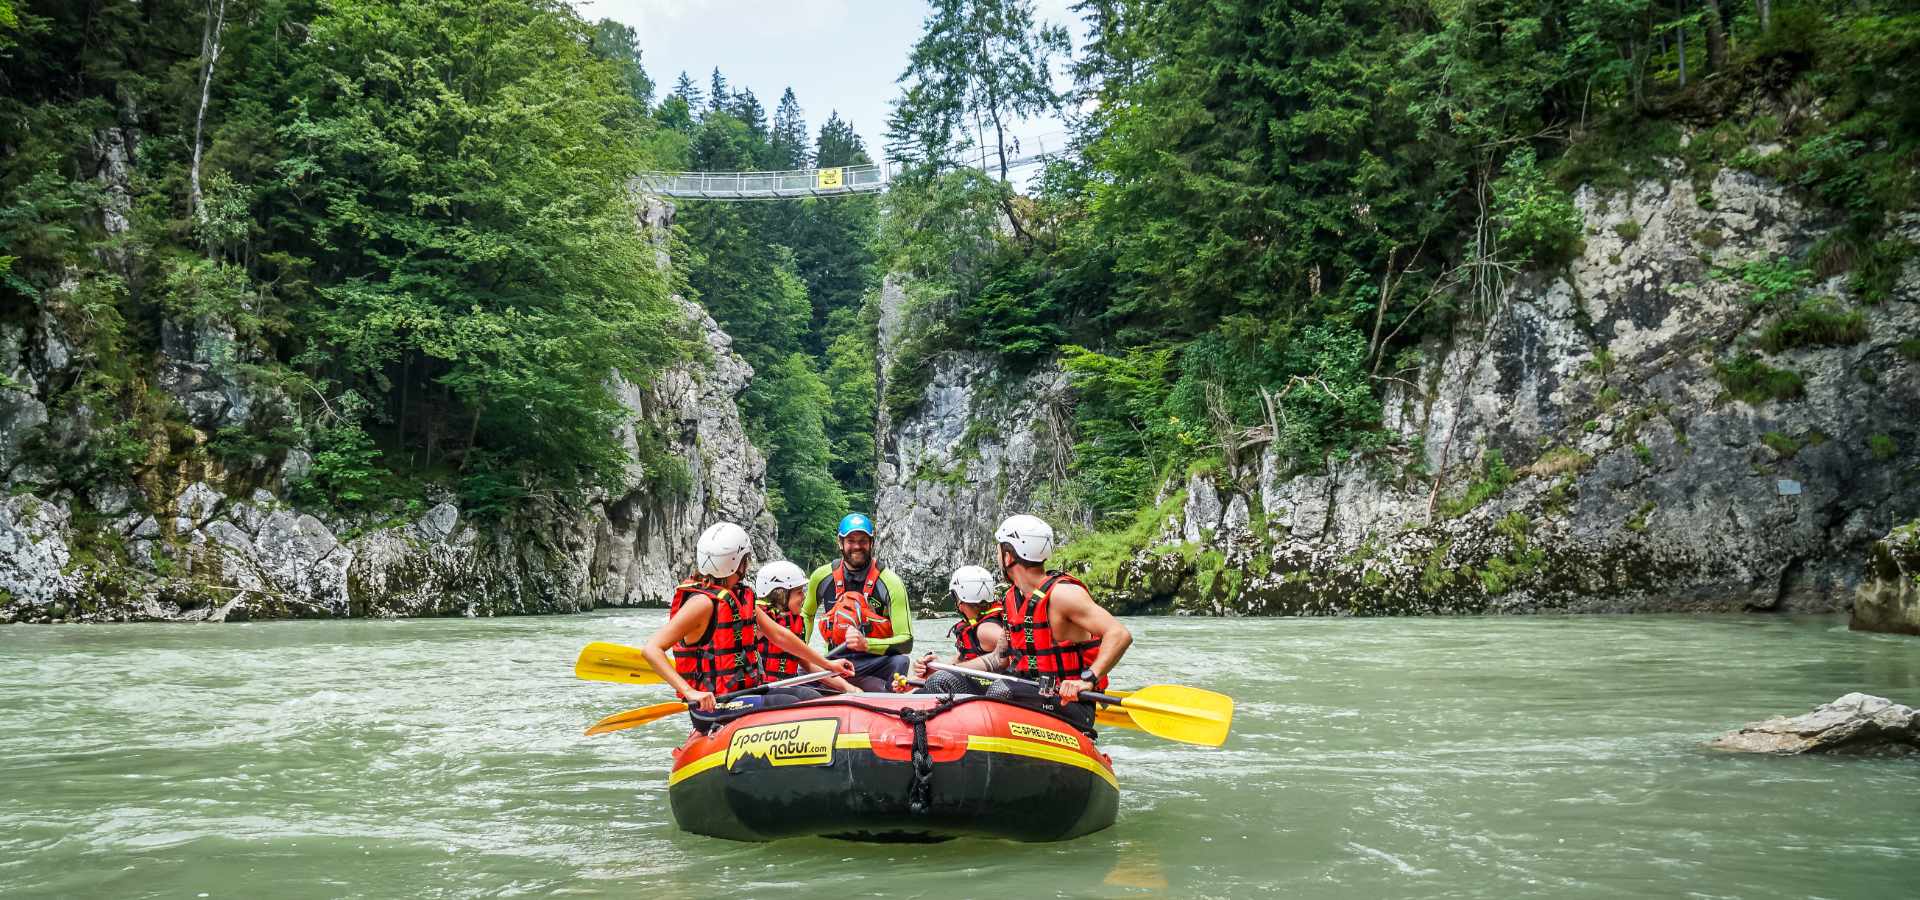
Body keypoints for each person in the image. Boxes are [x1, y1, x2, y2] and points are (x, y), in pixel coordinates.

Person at [640, 522, 854, 717]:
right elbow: (652, 649)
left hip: (744, 694)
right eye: (746, 558)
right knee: (801, 705)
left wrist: (828, 664)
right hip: (715, 705)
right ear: (737, 562)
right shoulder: (702, 603)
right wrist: (690, 692)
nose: (748, 563)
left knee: (809, 698)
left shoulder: (740, 597)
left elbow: (780, 636)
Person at [947, 514, 1133, 731]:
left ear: (1008, 557)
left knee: (1002, 690)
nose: (997, 555)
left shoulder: (1062, 594)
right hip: (1024, 689)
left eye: (999, 549)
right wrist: (950, 668)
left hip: (1068, 704)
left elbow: (1119, 634)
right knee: (945, 681)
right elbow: (1000, 658)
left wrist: (1088, 679)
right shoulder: (1011, 598)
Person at [801, 513, 914, 691]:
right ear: (840, 542)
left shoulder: (891, 582)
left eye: (863, 540)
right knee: (800, 667)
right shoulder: (821, 577)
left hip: (873, 661)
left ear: (871, 543)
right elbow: (806, 614)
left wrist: (866, 644)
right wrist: (801, 649)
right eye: (851, 540)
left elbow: (906, 641)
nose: (857, 546)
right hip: (834, 659)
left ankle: (886, 695)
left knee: (900, 661)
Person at [908, 565, 1005, 687]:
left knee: (936, 682)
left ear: (958, 600)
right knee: (912, 683)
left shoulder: (984, 630)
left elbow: (1013, 648)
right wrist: (932, 668)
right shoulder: (974, 626)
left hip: (988, 689)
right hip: (977, 684)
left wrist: (941, 672)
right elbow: (960, 660)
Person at [753, 560, 811, 679]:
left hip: (785, 684)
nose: (803, 596)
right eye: (799, 592)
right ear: (781, 595)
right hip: (762, 689)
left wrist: (847, 687)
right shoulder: (759, 621)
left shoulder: (793, 621)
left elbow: (807, 663)